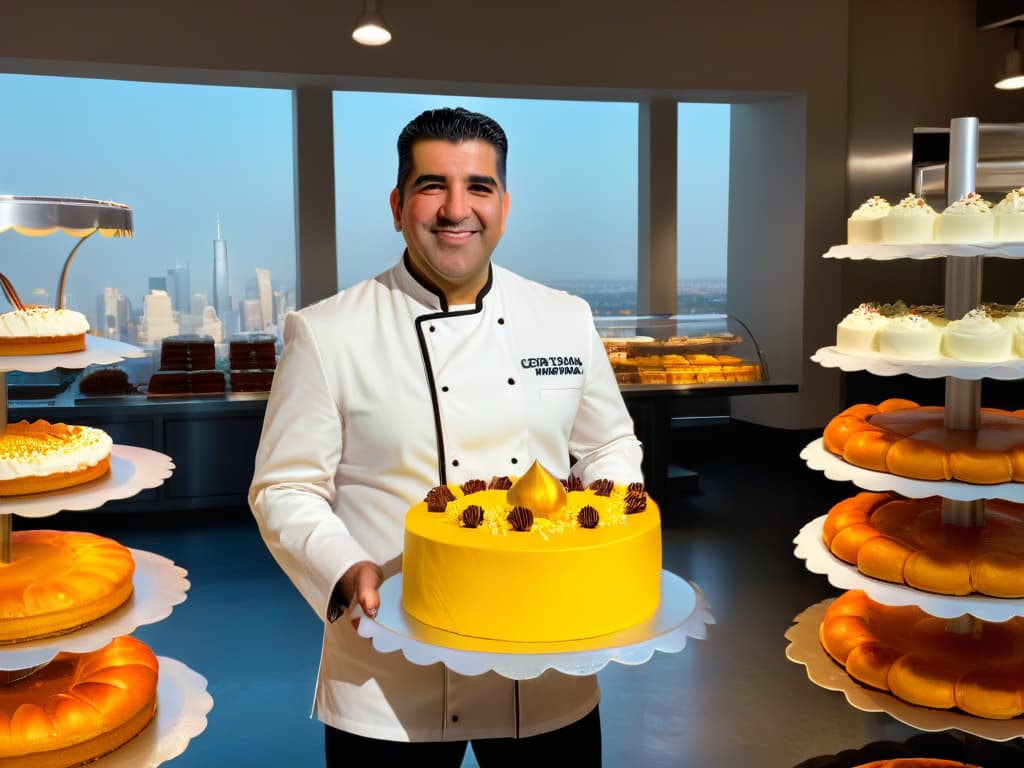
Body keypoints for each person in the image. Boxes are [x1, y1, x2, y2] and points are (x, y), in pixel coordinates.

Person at [249, 106, 644, 766]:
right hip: (387, 665)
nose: (456, 209)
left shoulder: (564, 319)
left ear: (504, 205)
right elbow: (284, 486)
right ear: (399, 203)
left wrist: (605, 529)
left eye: (478, 187)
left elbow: (608, 445)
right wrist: (342, 569)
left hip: (544, 657)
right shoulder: (327, 332)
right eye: (433, 186)